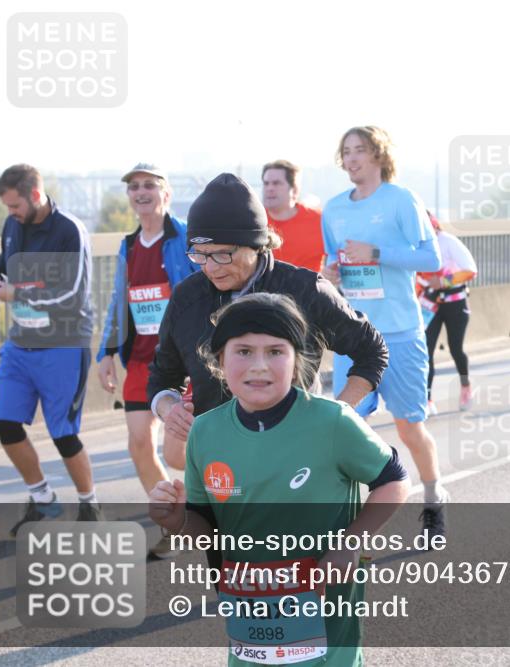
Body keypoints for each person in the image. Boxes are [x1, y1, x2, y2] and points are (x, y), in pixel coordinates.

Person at [149, 292, 409, 667]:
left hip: (325, 622)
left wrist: (352, 543)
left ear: (296, 359)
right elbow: (205, 529)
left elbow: (395, 480)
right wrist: (175, 520)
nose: (260, 366)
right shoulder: (205, 432)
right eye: (243, 352)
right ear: (218, 360)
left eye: (275, 352)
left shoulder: (332, 421)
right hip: (249, 624)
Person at [147, 173, 388, 472]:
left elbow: (373, 351)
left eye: (222, 254)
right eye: (199, 255)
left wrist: (338, 416)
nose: (209, 267)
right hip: (221, 461)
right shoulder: (187, 298)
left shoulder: (305, 289)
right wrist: (169, 410)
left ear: (255, 244)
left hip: (299, 454)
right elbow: (161, 377)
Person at [321, 126, 450, 538]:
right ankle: (350, 527)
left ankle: (433, 498)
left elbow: (430, 259)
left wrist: (376, 254)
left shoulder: (401, 200)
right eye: (347, 152)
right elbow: (331, 259)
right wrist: (331, 272)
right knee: (345, 427)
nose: (353, 158)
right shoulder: (334, 209)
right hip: (352, 335)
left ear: (378, 155)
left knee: (410, 428)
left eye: (360, 150)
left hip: (399, 332)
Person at [0, 164, 102, 536]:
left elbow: (72, 294)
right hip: (20, 343)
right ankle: (44, 499)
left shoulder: (70, 231)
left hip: (63, 343)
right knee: (3, 421)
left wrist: (18, 293)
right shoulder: (13, 225)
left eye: (15, 206)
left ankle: (89, 503)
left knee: (63, 434)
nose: (10, 214)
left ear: (35, 196)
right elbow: (8, 265)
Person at [95, 163, 198, 555]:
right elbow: (120, 301)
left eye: (149, 186)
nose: (141, 192)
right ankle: (173, 520)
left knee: (182, 448)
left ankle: (200, 512)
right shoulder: (129, 244)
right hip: (141, 361)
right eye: (134, 187)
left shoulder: (187, 236)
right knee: (139, 442)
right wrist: (106, 351)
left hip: (185, 359)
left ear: (165, 193)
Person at [417, 212, 478, 413]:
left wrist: (444, 281)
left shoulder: (448, 241)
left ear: (434, 225)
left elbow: (471, 269)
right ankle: (427, 399)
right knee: (426, 350)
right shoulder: (415, 245)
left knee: (455, 348)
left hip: (455, 302)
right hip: (430, 304)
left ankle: (466, 386)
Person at [262, 159, 326, 271]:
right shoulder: (253, 221)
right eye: (266, 183)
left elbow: (337, 259)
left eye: (276, 183)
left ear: (294, 190)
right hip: (261, 288)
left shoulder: (320, 220)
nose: (269, 188)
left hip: (309, 287)